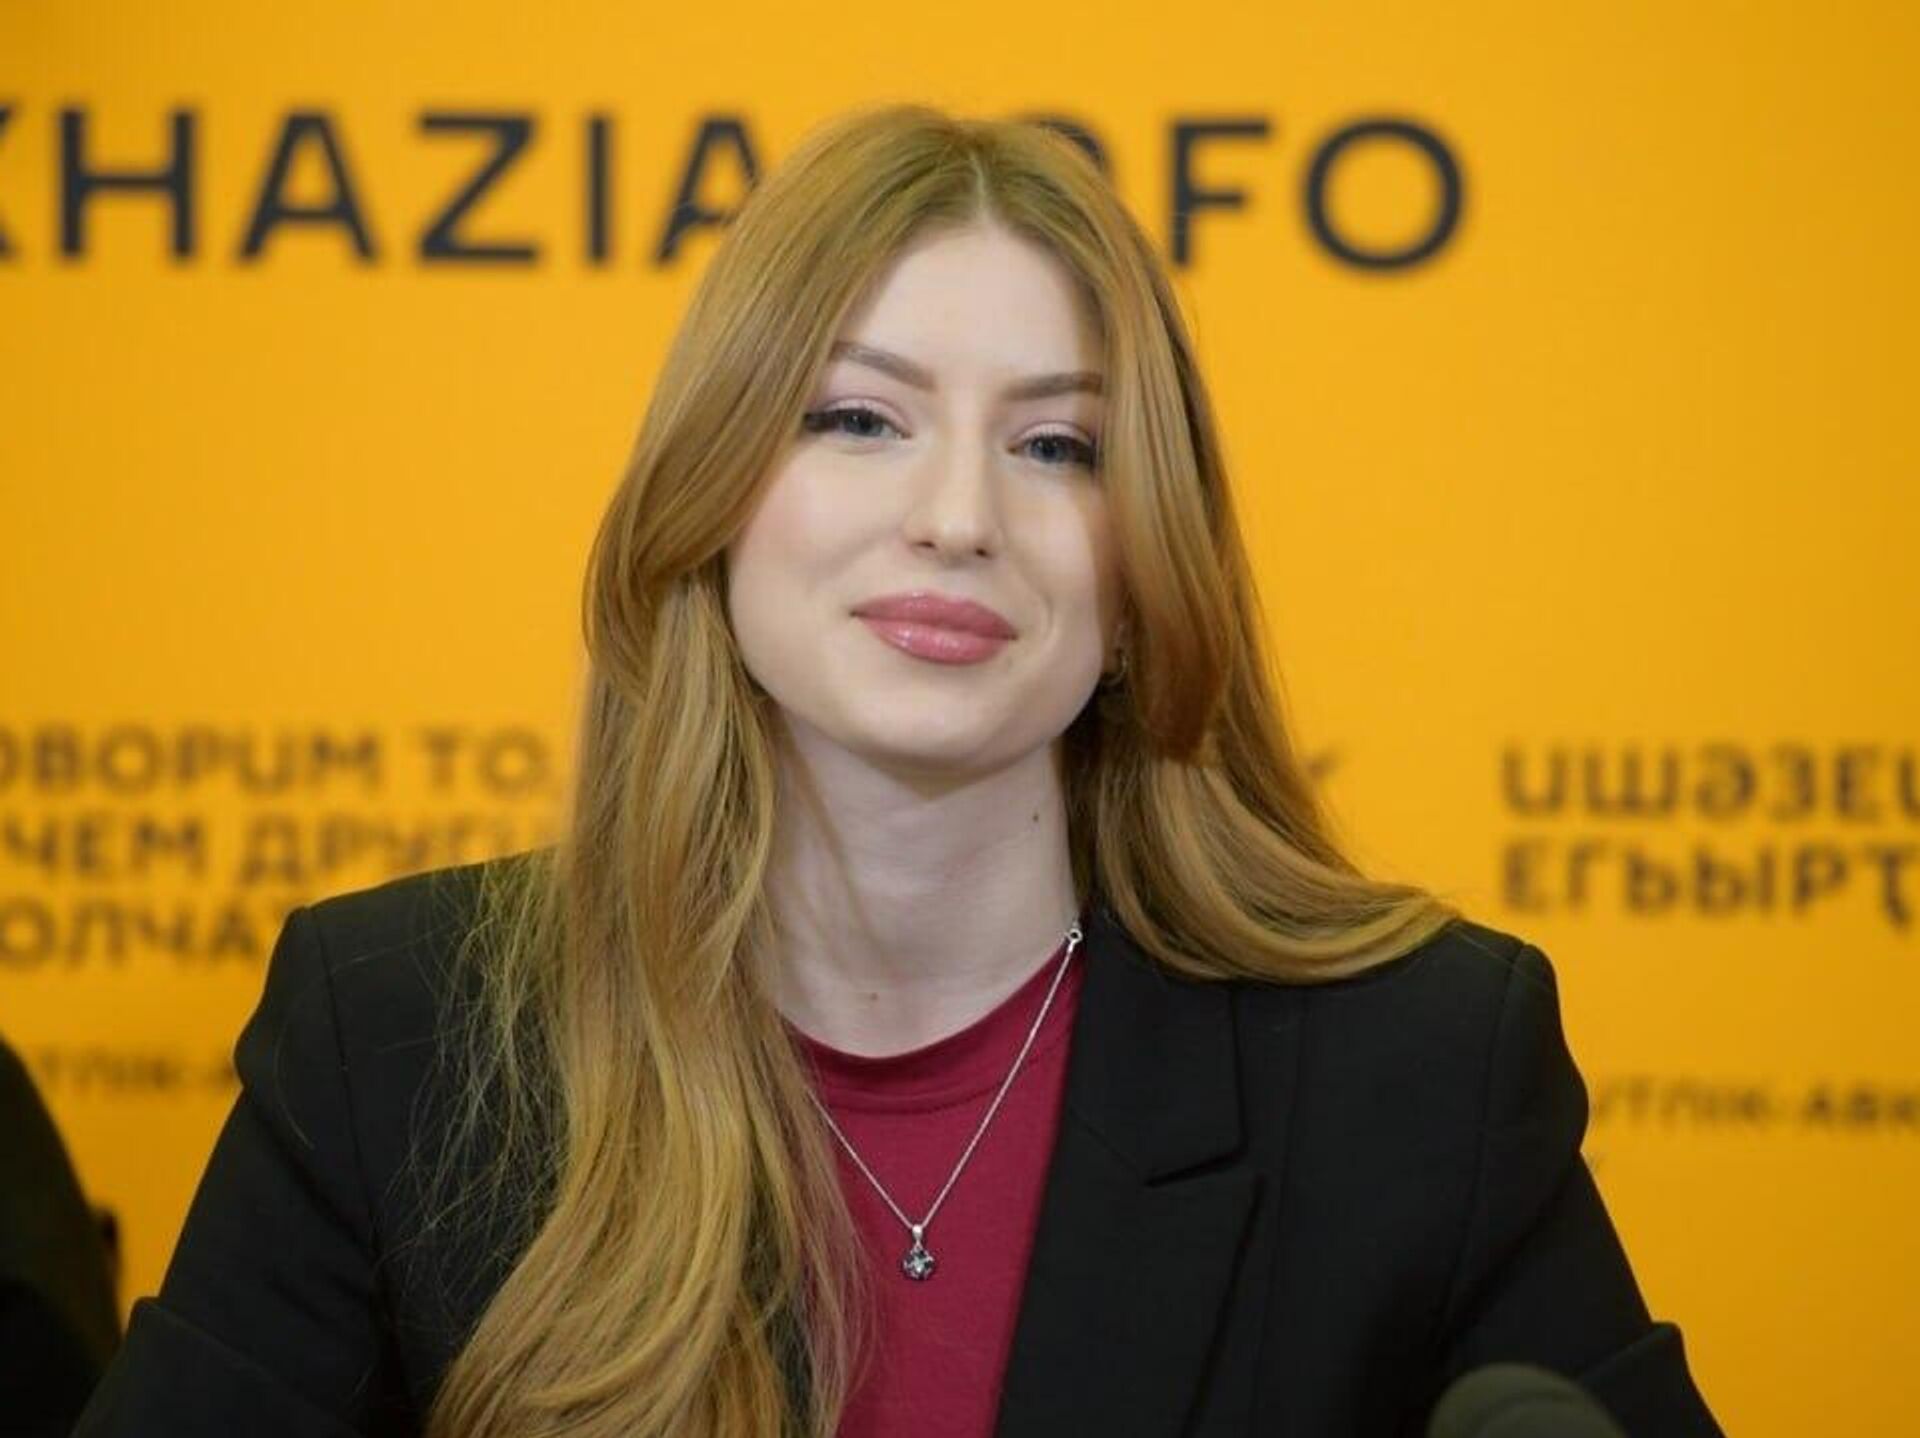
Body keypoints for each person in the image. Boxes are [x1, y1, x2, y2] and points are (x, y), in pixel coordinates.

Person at [72, 103, 1723, 1438]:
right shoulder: (396, 1036)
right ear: (714, 496)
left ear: (1141, 572)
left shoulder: (1419, 1067)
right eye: (862, 419)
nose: (956, 516)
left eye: (1055, 445)